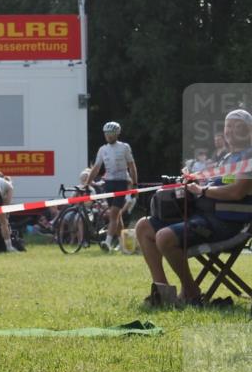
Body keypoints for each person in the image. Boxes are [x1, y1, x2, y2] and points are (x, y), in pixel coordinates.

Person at [135, 109, 252, 307]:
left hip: (227, 224)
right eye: (228, 126)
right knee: (143, 226)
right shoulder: (226, 158)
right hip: (203, 216)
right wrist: (192, 179)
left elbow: (236, 193)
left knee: (164, 237)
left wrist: (202, 190)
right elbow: (217, 182)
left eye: (237, 126)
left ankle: (190, 291)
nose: (230, 131)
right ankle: (162, 292)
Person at [84, 121, 138, 252]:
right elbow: (96, 168)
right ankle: (124, 246)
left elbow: (132, 166)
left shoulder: (124, 147)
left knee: (113, 214)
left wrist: (135, 184)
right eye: (106, 134)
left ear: (117, 134)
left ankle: (107, 243)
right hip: (109, 183)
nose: (108, 136)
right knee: (116, 216)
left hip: (121, 182)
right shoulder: (103, 149)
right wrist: (87, 183)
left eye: (111, 134)